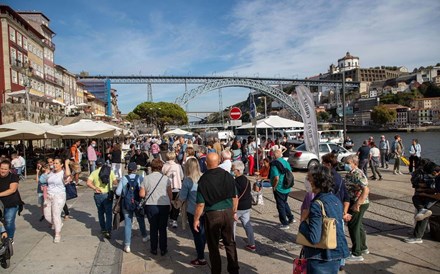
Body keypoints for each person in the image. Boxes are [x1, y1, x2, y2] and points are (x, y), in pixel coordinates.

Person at [194, 153, 239, 274]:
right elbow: (235, 197)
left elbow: (200, 204)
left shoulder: (203, 179)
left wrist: (196, 219)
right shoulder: (227, 175)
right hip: (228, 212)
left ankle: (216, 271)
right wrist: (234, 211)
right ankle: (234, 270)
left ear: (205, 163)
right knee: (230, 242)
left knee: (213, 245)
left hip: (213, 214)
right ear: (219, 161)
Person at [298, 165, 350, 273]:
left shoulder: (317, 205)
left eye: (309, 178)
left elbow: (314, 238)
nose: (307, 181)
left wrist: (303, 221)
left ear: (317, 181)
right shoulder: (334, 199)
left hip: (320, 258)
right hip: (337, 253)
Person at [321, 153, 351, 271]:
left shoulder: (328, 177)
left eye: (323, 163)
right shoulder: (339, 176)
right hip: (338, 209)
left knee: (330, 236)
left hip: (331, 209)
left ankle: (333, 260)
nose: (322, 165)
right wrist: (344, 212)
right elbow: (346, 196)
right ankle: (341, 261)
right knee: (340, 235)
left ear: (328, 164)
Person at [140, 158, 172, 256]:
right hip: (164, 204)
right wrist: (170, 203)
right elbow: (170, 193)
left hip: (151, 204)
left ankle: (153, 248)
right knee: (162, 228)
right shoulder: (166, 179)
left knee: (153, 228)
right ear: (161, 167)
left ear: (151, 167)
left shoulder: (146, 178)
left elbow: (141, 194)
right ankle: (163, 248)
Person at [115, 162, 149, 253]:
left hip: (126, 204)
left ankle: (127, 245)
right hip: (138, 203)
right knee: (140, 219)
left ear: (128, 169)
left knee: (128, 224)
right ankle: (144, 236)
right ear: (136, 170)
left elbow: (118, 192)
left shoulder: (124, 178)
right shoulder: (140, 178)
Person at [178, 158, 207, 266]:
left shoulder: (188, 180)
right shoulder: (204, 176)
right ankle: (201, 251)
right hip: (205, 209)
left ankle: (201, 257)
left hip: (193, 210)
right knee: (203, 232)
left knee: (197, 234)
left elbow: (183, 196)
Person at [404, 162, 440, 243]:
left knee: (425, 211)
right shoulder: (438, 177)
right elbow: (436, 190)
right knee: (417, 198)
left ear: (434, 172)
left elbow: (438, 196)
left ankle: (417, 237)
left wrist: (425, 193)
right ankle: (422, 211)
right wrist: (424, 191)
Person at [344, 155, 370, 262]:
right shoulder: (351, 173)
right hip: (353, 201)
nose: (346, 165)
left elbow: (366, 190)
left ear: (354, 163)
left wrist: (357, 204)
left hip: (358, 203)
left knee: (353, 225)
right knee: (358, 226)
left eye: (348, 163)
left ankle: (356, 253)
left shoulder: (358, 173)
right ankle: (363, 247)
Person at [86, 159, 117, 239]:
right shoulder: (110, 171)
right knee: (108, 213)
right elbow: (115, 182)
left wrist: (95, 188)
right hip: (107, 195)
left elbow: (88, 183)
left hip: (98, 195)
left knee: (100, 212)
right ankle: (108, 231)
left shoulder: (94, 172)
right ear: (104, 164)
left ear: (96, 165)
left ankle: (103, 229)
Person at [44, 158, 71, 243]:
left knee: (56, 214)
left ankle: (57, 234)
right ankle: (58, 224)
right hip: (49, 195)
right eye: (54, 163)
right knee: (47, 215)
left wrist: (66, 164)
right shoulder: (51, 172)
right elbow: (45, 181)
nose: (54, 165)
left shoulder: (63, 173)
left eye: (57, 163)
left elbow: (68, 174)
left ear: (61, 165)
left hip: (59, 196)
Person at [232, 161, 256, 252]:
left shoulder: (235, 182)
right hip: (247, 206)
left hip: (238, 207)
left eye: (233, 169)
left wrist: (233, 211)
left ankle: (232, 243)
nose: (232, 170)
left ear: (238, 170)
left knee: (232, 225)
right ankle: (252, 244)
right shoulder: (246, 179)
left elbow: (235, 197)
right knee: (247, 225)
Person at [0, 160, 24, 244]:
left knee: (9, 220)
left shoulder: (13, 177)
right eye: (1, 168)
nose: (3, 171)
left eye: (5, 169)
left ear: (9, 169)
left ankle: (10, 238)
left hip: (12, 202)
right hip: (1, 204)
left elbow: (12, 190)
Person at [270, 149, 295, 229]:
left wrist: (274, 186)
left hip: (279, 187)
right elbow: (290, 172)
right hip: (287, 186)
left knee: (280, 205)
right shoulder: (286, 162)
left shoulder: (274, 164)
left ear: (274, 156)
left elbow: (276, 178)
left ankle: (285, 223)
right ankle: (291, 218)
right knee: (284, 202)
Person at [162, 151, 183, 228]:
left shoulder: (164, 166)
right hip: (177, 187)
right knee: (176, 204)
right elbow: (182, 176)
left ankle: (167, 218)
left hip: (167, 187)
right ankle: (174, 219)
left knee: (168, 203)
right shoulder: (178, 166)